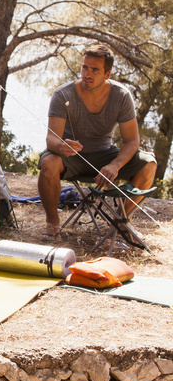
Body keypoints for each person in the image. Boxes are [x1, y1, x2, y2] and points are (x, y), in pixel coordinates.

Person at [37, 43, 157, 242]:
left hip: (104, 154)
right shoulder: (63, 94)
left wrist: (115, 164)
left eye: (95, 70)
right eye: (85, 67)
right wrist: (61, 146)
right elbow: (51, 139)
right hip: (70, 157)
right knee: (48, 163)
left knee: (149, 164)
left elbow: (132, 141)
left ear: (107, 73)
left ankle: (120, 221)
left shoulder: (121, 96)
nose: (87, 74)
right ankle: (52, 224)